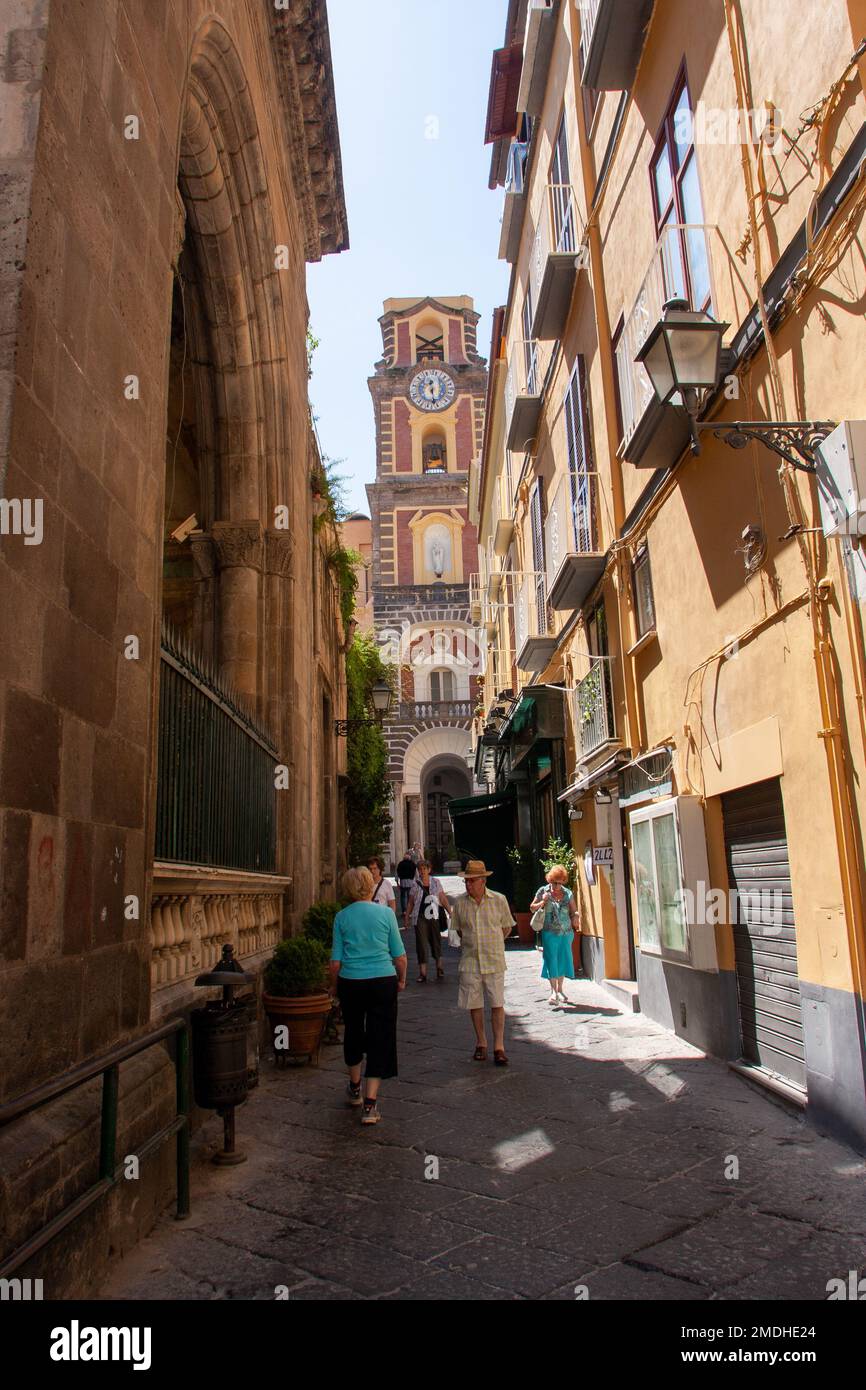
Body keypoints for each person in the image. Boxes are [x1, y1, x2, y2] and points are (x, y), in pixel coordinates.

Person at [329, 866, 407, 1125]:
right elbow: (400, 955)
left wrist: (333, 987)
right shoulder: (385, 914)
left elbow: (335, 963)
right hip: (383, 981)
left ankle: (354, 1089)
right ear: (369, 885)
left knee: (353, 1031)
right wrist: (402, 978)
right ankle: (370, 1105)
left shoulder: (341, 917)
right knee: (380, 1037)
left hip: (351, 982)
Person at [450, 859, 514, 1066]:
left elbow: (507, 927)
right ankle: (481, 1042)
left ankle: (499, 1046)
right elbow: (458, 929)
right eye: (466, 882)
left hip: (493, 959)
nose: (468, 885)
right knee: (474, 1003)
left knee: (497, 1003)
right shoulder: (459, 903)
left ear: (483, 881)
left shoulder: (499, 900)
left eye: (472, 881)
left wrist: (493, 943)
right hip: (470, 960)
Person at [530, 865, 580, 1005]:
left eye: (560, 882)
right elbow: (532, 907)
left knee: (563, 959)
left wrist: (576, 917)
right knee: (551, 959)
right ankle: (553, 992)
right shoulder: (543, 891)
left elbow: (574, 910)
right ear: (550, 880)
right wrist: (543, 901)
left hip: (566, 932)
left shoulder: (568, 893)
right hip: (549, 931)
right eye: (554, 882)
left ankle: (560, 989)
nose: (557, 885)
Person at [407, 860, 451, 982]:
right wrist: (407, 917)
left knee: (436, 941)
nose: (422, 871)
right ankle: (423, 972)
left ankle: (439, 967)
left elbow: (442, 897)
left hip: (434, 915)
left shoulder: (436, 882)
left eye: (424, 869)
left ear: (429, 869)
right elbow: (411, 902)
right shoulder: (415, 884)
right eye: (420, 869)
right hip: (420, 916)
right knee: (421, 943)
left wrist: (449, 911)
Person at [368, 855, 398, 922]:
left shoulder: (386, 884)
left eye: (375, 868)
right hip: (368, 919)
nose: (372, 871)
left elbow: (392, 904)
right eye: (370, 869)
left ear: (380, 869)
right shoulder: (365, 884)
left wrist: (391, 920)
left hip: (382, 919)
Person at [395, 850, 417, 926]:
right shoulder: (412, 864)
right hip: (411, 882)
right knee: (410, 897)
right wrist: (416, 882)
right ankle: (409, 911)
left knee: (403, 896)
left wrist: (397, 882)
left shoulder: (400, 864)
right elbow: (415, 873)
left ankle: (404, 911)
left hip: (403, 882)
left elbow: (397, 873)